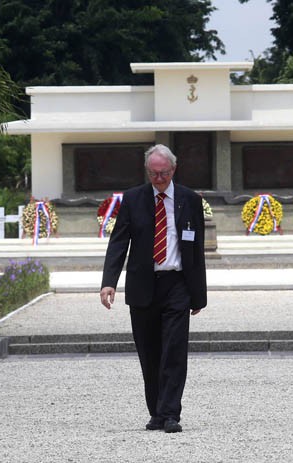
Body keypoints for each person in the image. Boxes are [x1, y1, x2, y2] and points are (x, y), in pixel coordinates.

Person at [100, 144, 207, 434]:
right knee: (149, 354)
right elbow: (119, 242)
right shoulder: (133, 199)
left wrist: (198, 295)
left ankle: (171, 413)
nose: (159, 179)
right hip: (143, 286)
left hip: (177, 285)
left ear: (174, 170)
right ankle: (156, 413)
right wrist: (109, 281)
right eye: (153, 173)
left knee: (174, 351)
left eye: (164, 173)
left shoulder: (189, 200)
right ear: (147, 171)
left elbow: (196, 249)